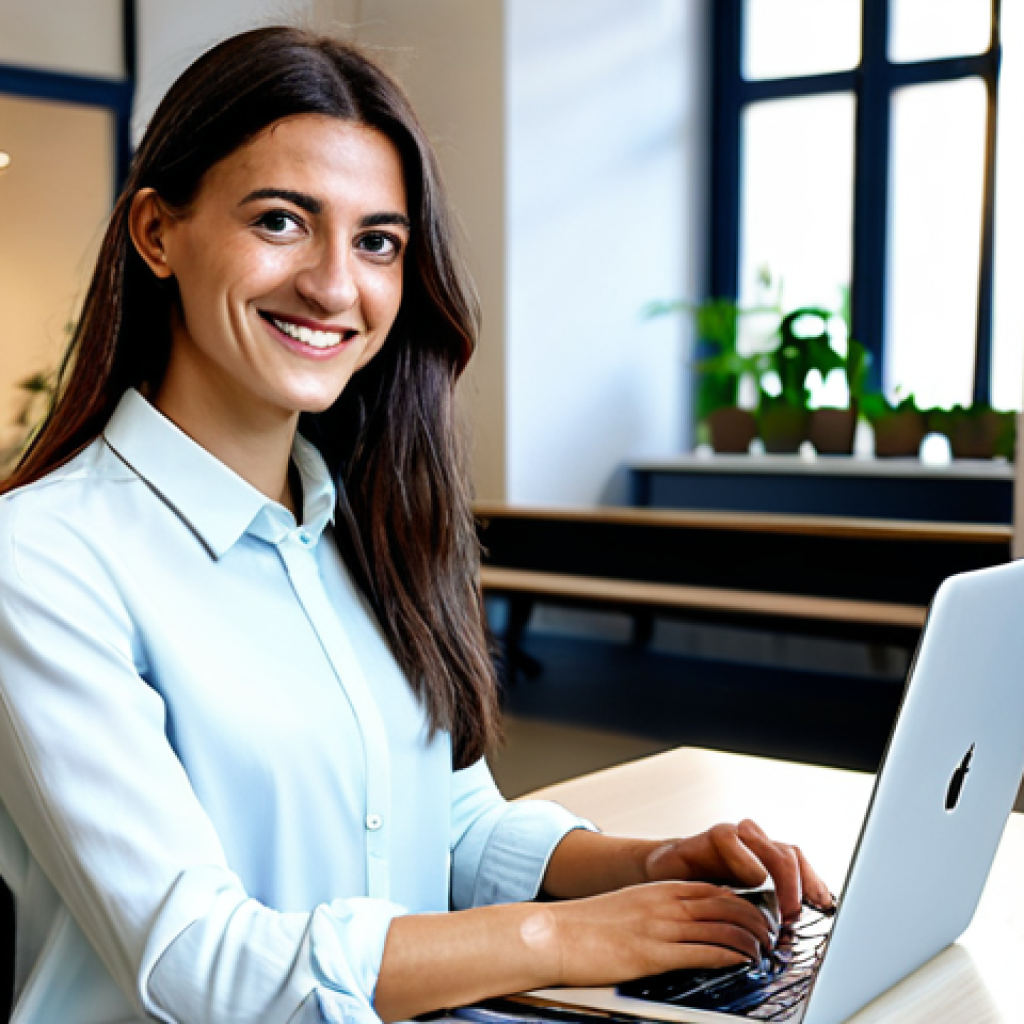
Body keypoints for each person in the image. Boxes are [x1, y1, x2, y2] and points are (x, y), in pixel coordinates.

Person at [0, 26, 832, 1024]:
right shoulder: (43, 559)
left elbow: (447, 824)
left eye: (377, 241)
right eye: (279, 221)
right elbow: (197, 961)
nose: (334, 285)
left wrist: (640, 866)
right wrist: (559, 937)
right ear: (156, 233)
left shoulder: (367, 528)